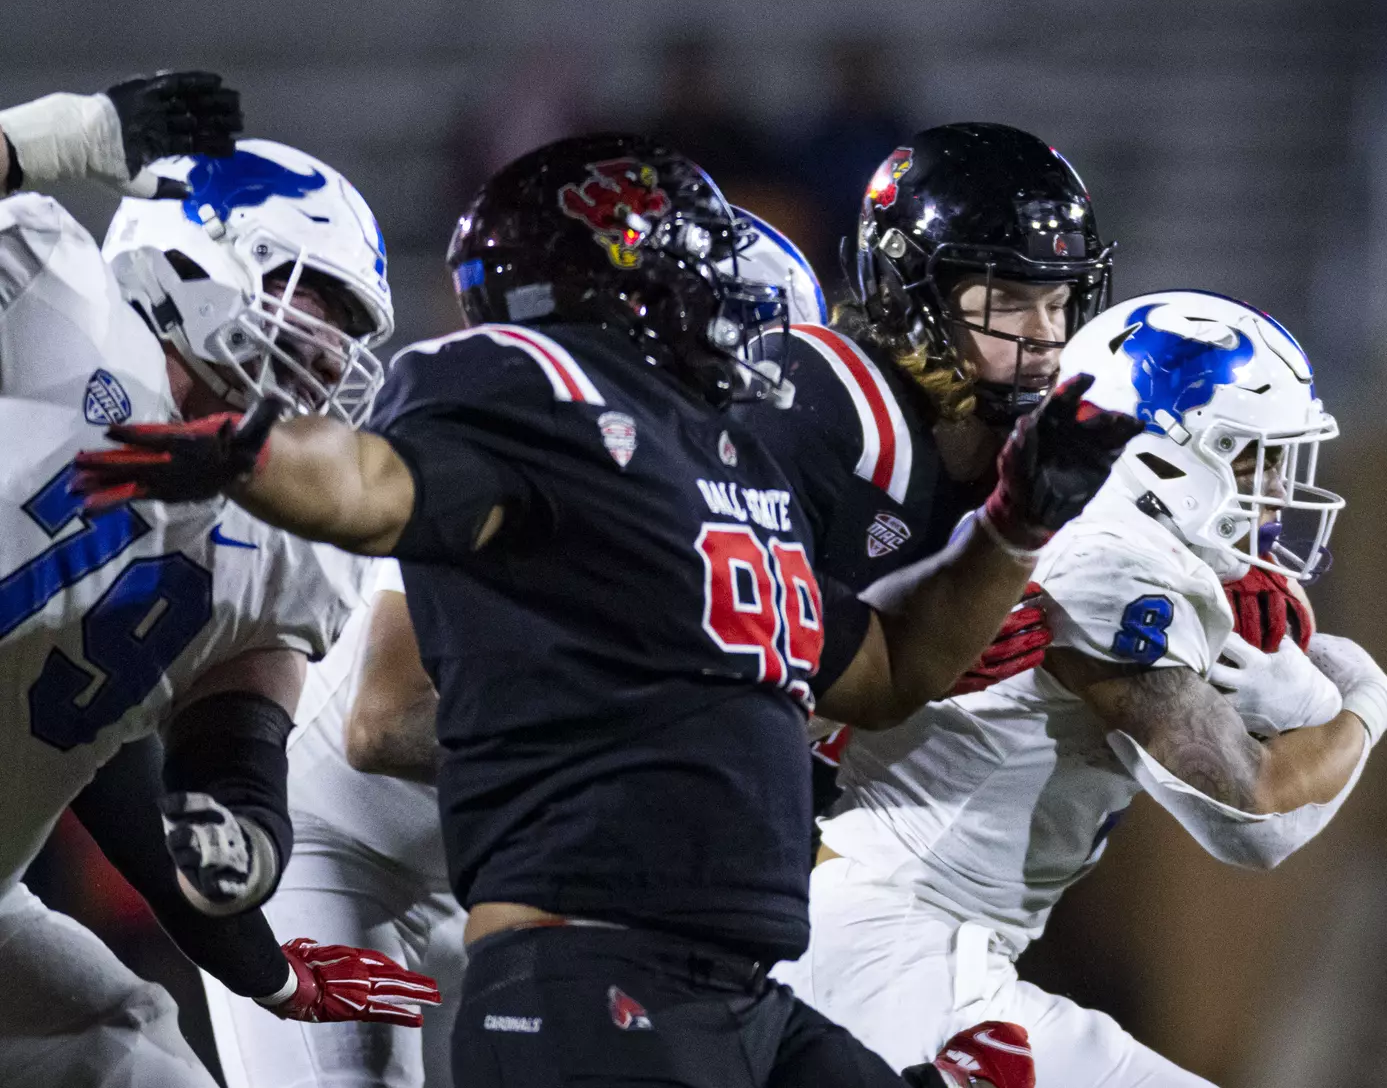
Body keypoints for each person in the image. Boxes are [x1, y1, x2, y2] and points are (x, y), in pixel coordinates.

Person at [73, 133, 1144, 1088]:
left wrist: (1010, 530)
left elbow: (870, 668)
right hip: (354, 853)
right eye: (718, 301)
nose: (755, 351)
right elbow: (381, 690)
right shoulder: (546, 423)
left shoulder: (721, 486)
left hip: (594, 900)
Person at [197, 206, 823, 1088]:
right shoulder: (536, 443)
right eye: (735, 335)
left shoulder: (725, 495)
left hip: (511, 875)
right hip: (341, 853)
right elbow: (382, 724)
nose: (754, 373)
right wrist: (655, 747)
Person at [775, 291, 1387, 1085]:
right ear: (1161, 455)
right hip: (895, 951)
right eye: (1252, 457)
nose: (1274, 492)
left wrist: (1301, 692)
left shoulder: (1113, 543)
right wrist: (1367, 703)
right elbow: (1251, 812)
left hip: (917, 945)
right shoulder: (1110, 562)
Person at [0, 77, 434, 1087]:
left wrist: (244, 850)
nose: (329, 348)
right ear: (193, 247)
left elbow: (226, 745)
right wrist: (50, 139)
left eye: (347, 328)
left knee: (130, 1059)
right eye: (313, 295)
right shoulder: (43, 286)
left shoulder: (285, 533)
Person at [739, 121, 1116, 813]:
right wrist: (934, 647)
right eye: (1008, 300)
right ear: (906, 292)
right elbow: (734, 658)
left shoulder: (1056, 446)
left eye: (1059, 301)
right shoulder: (822, 396)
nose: (1044, 335)